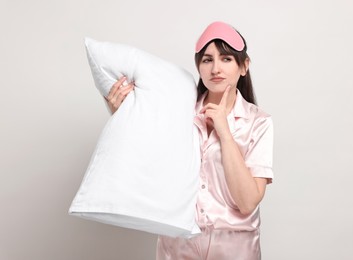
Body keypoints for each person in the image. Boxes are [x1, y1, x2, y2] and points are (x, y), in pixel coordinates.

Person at [105, 21, 274, 260]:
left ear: (243, 66)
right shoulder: (178, 112)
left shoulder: (259, 122)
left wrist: (224, 132)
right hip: (178, 242)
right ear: (199, 67)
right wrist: (122, 116)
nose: (216, 68)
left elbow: (247, 202)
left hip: (235, 246)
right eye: (207, 60)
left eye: (226, 59)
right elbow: (148, 166)